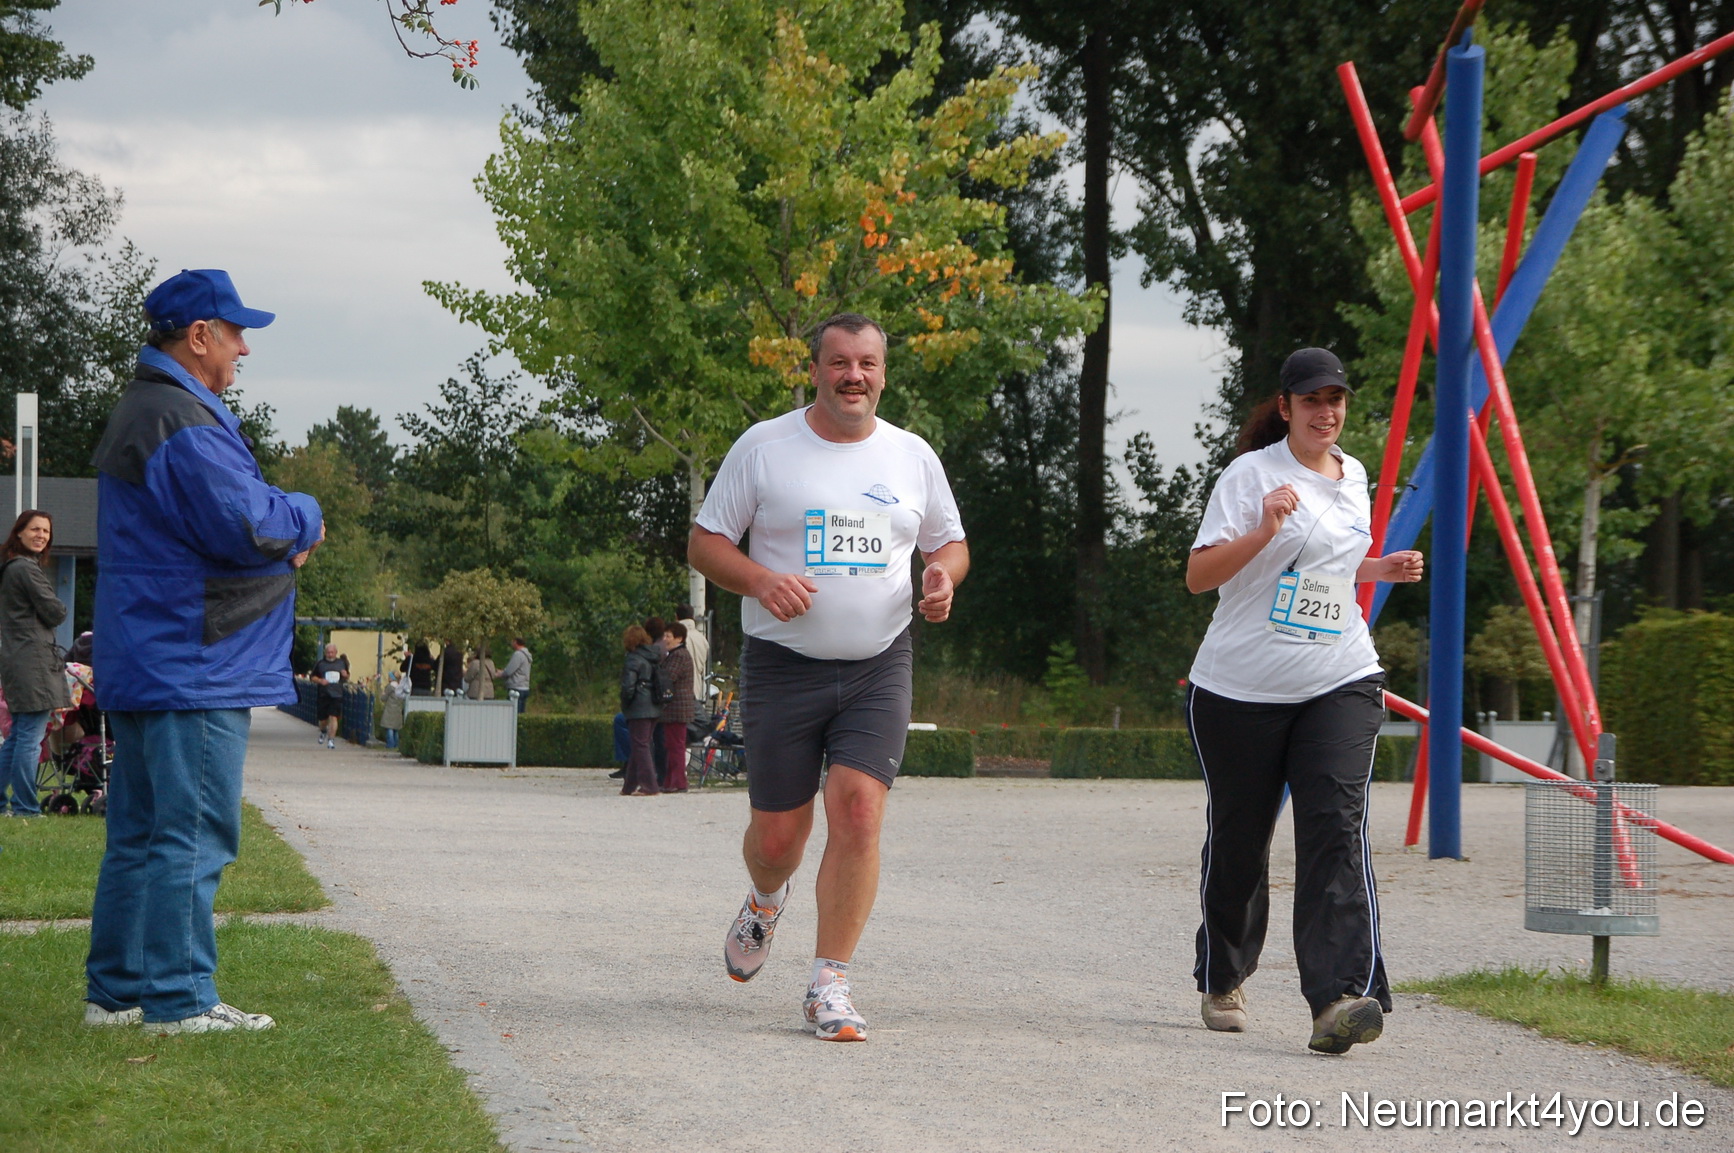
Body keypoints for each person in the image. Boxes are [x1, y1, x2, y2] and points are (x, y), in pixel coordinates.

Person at [689, 312, 967, 1042]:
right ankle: (763, 897)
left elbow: (950, 542)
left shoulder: (912, 456)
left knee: (858, 811)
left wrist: (941, 576)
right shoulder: (765, 447)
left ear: (883, 372)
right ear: (814, 369)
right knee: (778, 836)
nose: (854, 376)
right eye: (840, 362)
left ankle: (828, 982)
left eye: (868, 363)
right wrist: (757, 579)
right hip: (783, 666)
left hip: (880, 660)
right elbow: (704, 541)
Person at [84, 268, 323, 1034]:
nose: (243, 348)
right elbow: (251, 524)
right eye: (235, 333)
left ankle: (117, 991)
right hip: (195, 661)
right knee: (193, 835)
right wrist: (308, 515)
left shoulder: (145, 408)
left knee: (139, 837)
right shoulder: (180, 418)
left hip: (149, 656)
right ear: (199, 337)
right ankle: (181, 1000)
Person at [1183, 347, 1424, 1055]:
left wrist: (1380, 568)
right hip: (1240, 689)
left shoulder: (1353, 476)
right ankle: (1222, 973)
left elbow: (1329, 569)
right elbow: (1200, 576)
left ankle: (1340, 997)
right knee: (1239, 842)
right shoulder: (1249, 476)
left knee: (1335, 830)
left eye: (1337, 399)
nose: (1327, 411)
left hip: (1340, 675)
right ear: (1284, 407)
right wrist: (1262, 527)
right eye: (1311, 400)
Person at [0, 510, 72, 817]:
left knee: (18, 736)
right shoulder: (25, 570)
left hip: (17, 660)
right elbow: (56, 612)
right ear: (19, 533)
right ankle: (26, 807)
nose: (41, 535)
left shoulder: (9, 569)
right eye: (35, 529)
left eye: (46, 531)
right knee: (30, 737)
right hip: (32, 662)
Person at [618, 624, 663, 796]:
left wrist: (625, 701)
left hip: (639, 707)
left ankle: (650, 786)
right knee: (640, 744)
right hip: (654, 705)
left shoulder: (633, 659)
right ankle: (629, 786)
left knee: (640, 746)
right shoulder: (653, 657)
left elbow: (628, 686)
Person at [659, 622, 694, 792]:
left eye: (668, 636)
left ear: (679, 638)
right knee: (672, 745)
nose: (665, 639)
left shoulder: (678, 655)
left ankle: (679, 782)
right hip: (675, 708)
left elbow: (668, 676)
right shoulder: (674, 654)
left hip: (677, 707)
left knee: (676, 746)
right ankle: (671, 780)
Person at [311, 643, 349, 749]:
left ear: (336, 653)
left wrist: (345, 675)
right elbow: (312, 677)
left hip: (337, 694)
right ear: (325, 653)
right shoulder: (320, 664)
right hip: (323, 694)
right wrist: (320, 680)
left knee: (333, 717)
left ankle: (331, 740)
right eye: (328, 652)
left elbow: (346, 676)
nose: (330, 654)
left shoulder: (341, 663)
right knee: (323, 719)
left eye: (332, 652)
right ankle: (323, 730)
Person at [677, 603, 710, 706]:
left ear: (676, 616)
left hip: (680, 692)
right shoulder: (702, 638)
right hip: (698, 690)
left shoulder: (675, 637)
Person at [496, 636, 532, 713]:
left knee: (513, 714)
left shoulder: (518, 654)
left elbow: (509, 671)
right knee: (521, 714)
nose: (511, 643)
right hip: (525, 687)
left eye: (512, 641)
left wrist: (500, 674)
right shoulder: (527, 655)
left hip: (516, 688)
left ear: (516, 642)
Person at [380, 670, 408, 749]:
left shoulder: (389, 687)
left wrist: (382, 694)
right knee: (396, 729)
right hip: (398, 710)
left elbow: (384, 698)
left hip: (390, 710)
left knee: (389, 728)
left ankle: (390, 745)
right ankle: (396, 745)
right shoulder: (400, 687)